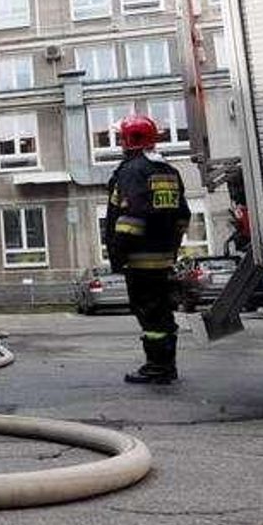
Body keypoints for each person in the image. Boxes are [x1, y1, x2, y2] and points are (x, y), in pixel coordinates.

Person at [104, 114, 191, 385]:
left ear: (132, 140)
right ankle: (166, 365)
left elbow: (130, 219)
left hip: (140, 260)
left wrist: (119, 255)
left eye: (121, 138)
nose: (119, 143)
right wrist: (171, 249)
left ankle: (158, 367)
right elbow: (182, 216)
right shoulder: (169, 171)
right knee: (162, 312)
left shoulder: (132, 171)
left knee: (150, 314)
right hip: (163, 259)